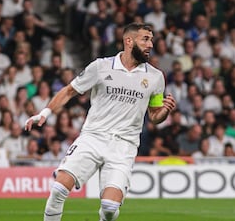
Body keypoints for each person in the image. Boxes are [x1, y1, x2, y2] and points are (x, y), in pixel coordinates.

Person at [25, 23, 176, 221]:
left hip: (124, 145)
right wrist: (44, 113)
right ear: (129, 41)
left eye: (151, 39)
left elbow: (155, 116)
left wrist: (164, 111)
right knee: (59, 188)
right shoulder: (101, 66)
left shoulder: (156, 77)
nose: (151, 44)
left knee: (110, 208)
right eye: (145, 39)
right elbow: (70, 90)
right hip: (93, 137)